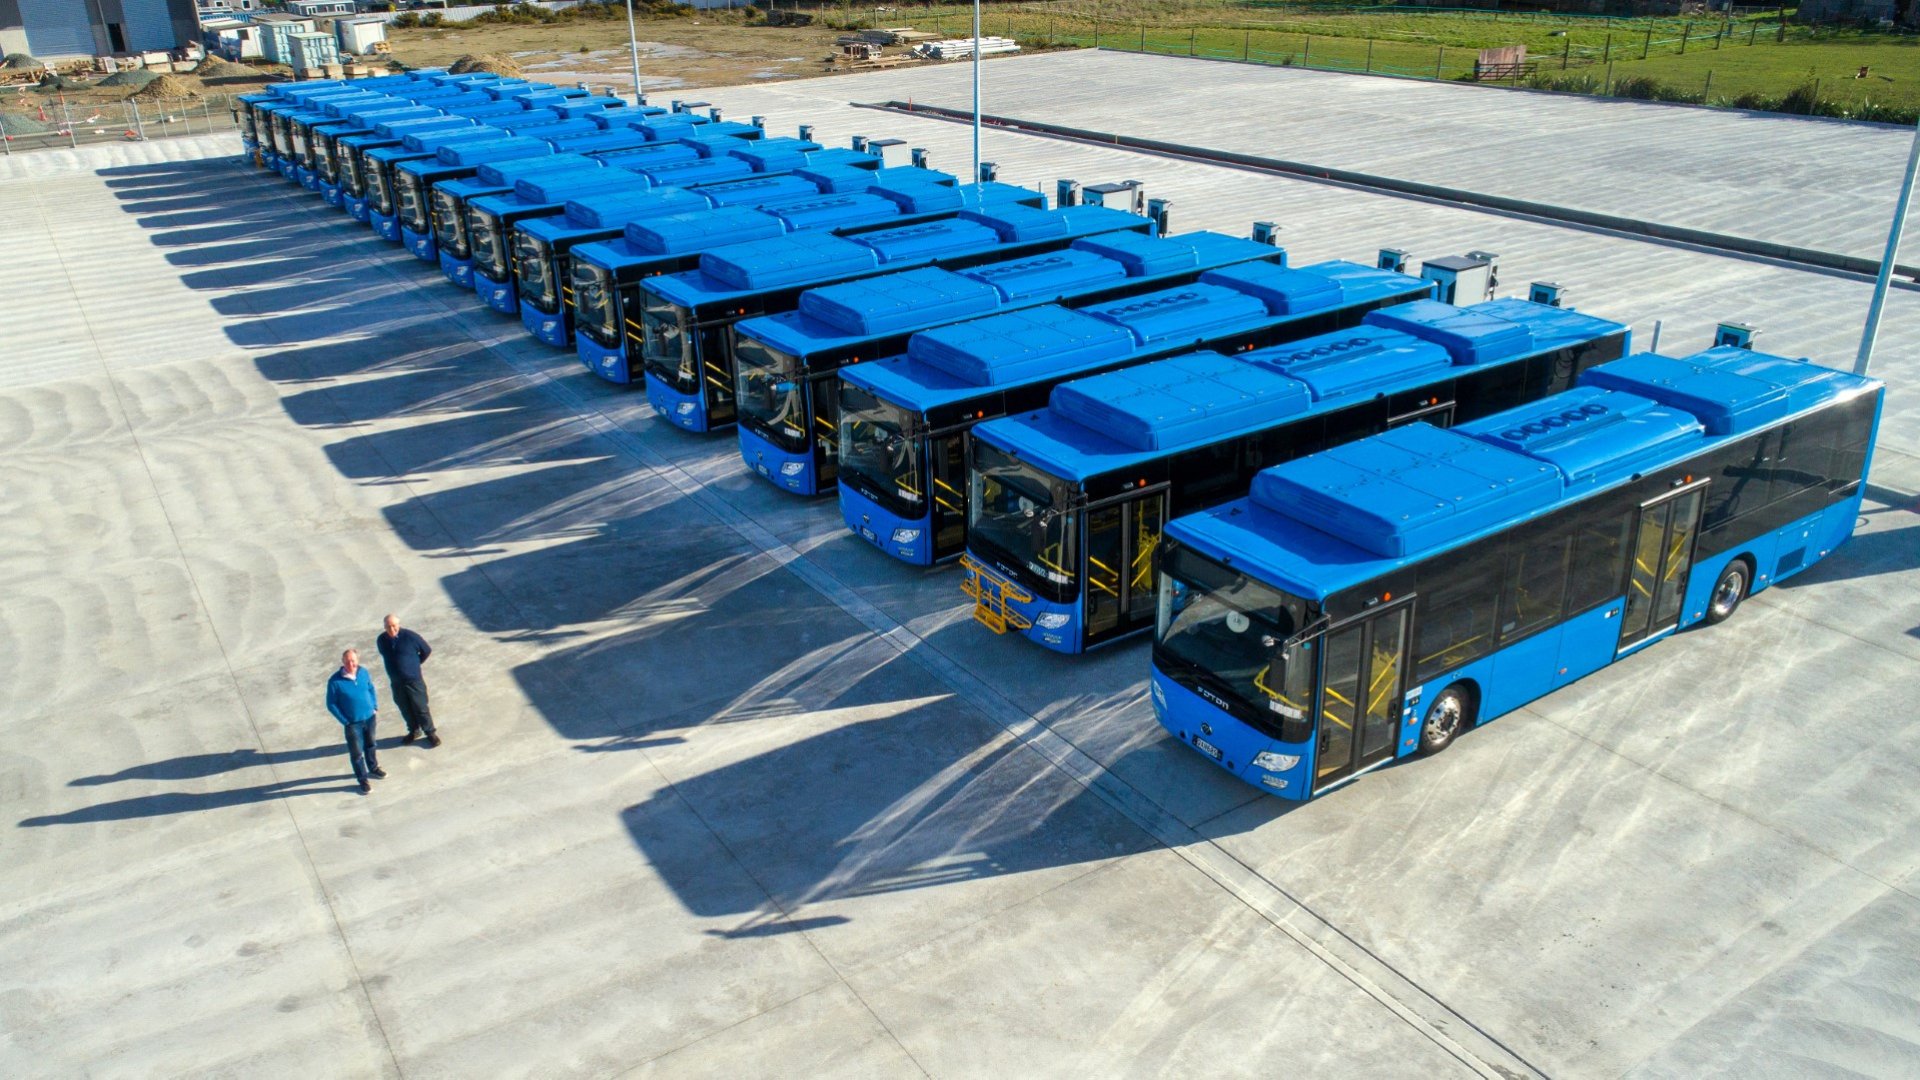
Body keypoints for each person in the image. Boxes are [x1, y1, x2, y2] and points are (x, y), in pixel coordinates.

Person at [326, 648, 385, 794]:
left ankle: (374, 768)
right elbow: (331, 704)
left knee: (371, 744)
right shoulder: (335, 681)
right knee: (357, 753)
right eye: (347, 661)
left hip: (370, 718)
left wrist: (374, 706)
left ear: (357, 661)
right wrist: (345, 721)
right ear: (343, 662)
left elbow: (371, 689)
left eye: (353, 661)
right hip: (353, 724)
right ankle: (363, 780)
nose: (351, 664)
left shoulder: (363, 672)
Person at [377, 613, 441, 747]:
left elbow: (426, 650)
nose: (392, 629)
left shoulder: (410, 637)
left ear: (399, 625)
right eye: (388, 627)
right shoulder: (381, 640)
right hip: (396, 682)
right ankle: (414, 730)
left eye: (394, 626)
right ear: (384, 627)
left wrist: (414, 664)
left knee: (420, 707)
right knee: (404, 707)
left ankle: (430, 733)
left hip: (413, 680)